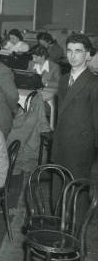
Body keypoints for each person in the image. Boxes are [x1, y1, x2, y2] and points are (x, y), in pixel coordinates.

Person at [51, 33, 98, 180]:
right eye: (70, 50)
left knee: (77, 193)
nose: (72, 55)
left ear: (88, 55)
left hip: (80, 148)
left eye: (78, 51)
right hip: (61, 143)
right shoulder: (64, 80)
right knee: (59, 191)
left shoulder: (93, 82)